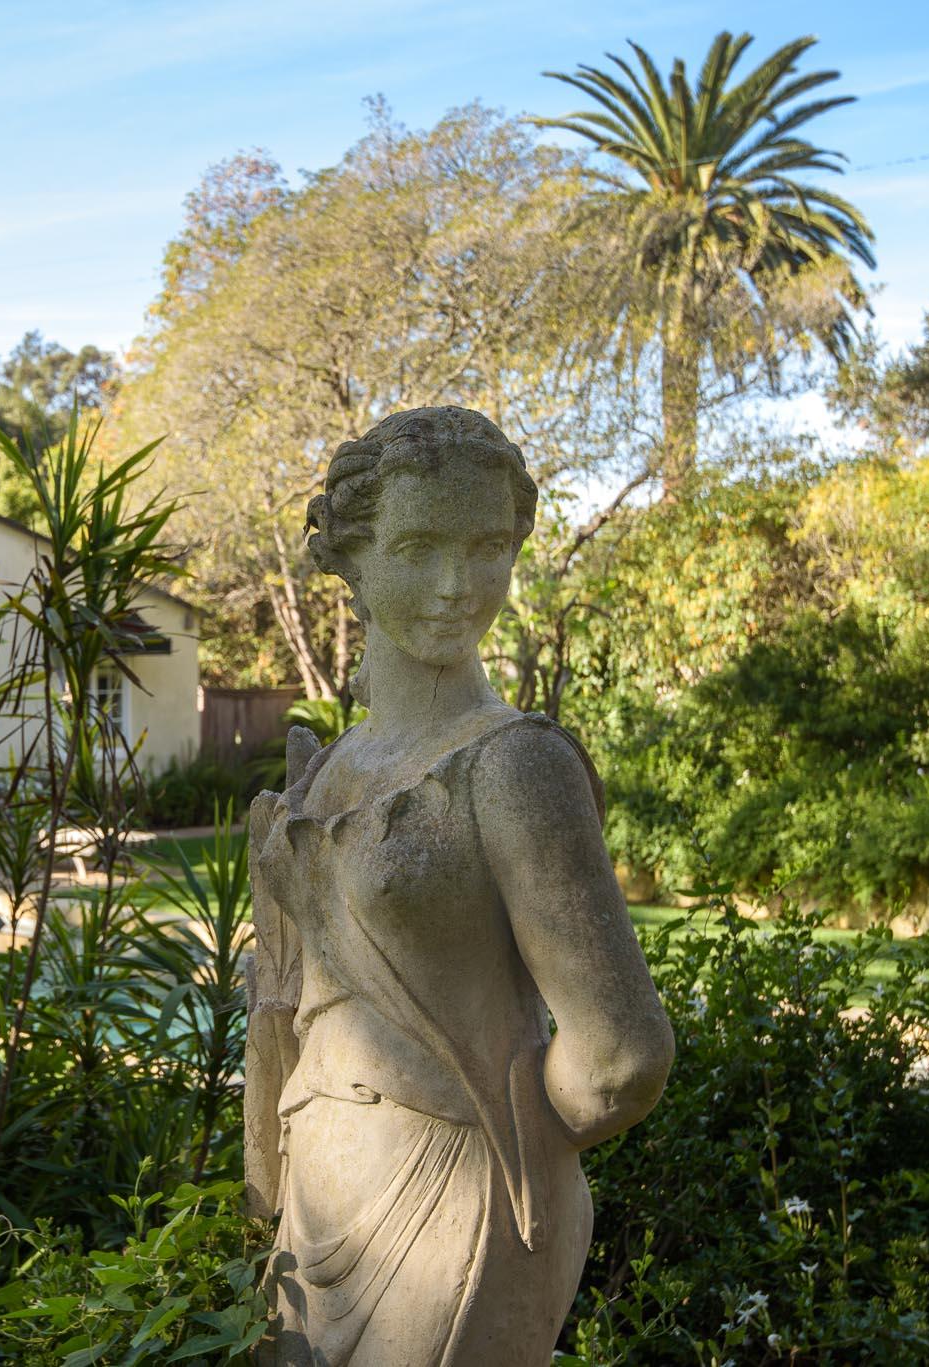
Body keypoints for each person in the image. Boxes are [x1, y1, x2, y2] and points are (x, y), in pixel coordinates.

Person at [245, 406, 674, 1366]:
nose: (456, 585)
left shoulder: (515, 767)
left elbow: (620, 1056)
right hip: (316, 1204)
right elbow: (282, 1005)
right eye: (418, 546)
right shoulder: (326, 775)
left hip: (463, 1207)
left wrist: (503, 1127)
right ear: (350, 559)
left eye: (487, 547)